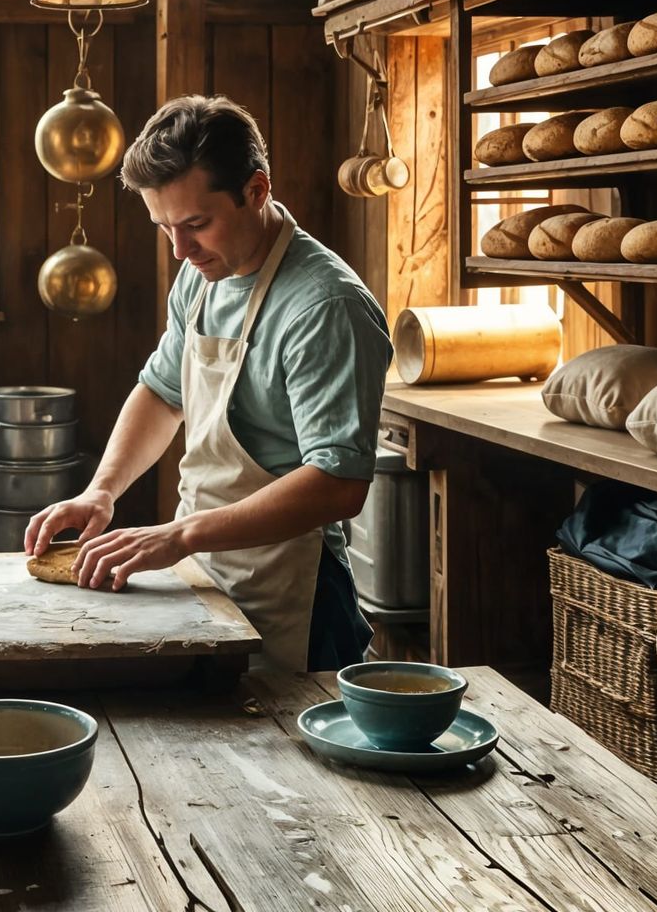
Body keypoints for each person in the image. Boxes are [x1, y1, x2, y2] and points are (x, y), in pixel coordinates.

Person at [23, 94, 392, 672]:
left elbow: (338, 483)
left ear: (256, 191)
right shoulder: (203, 275)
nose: (179, 249)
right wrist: (103, 489)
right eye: (164, 226)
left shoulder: (325, 306)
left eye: (196, 224)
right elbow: (161, 392)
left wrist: (182, 534)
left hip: (295, 592)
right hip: (203, 569)